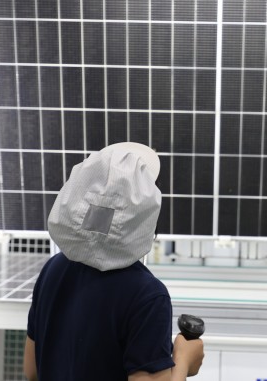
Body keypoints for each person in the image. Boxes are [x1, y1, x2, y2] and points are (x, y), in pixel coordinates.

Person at [23, 142, 204, 381]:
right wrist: (183, 360)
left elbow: (31, 371)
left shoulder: (53, 270)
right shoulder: (147, 296)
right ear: (145, 210)